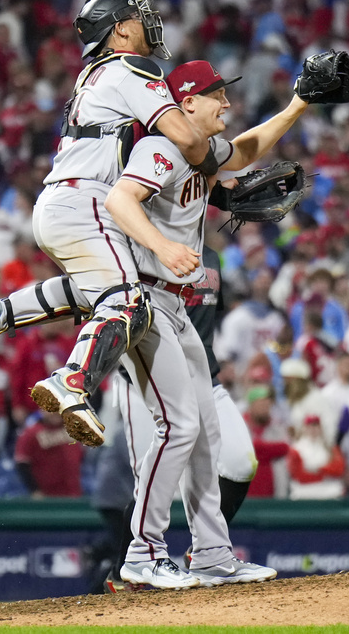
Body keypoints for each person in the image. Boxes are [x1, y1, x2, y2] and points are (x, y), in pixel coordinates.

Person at [0, 0, 219, 447]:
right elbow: (189, 140)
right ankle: (72, 381)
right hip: (89, 202)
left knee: (100, 289)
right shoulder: (132, 67)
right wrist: (210, 163)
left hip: (64, 201)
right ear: (119, 31)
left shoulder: (94, 74)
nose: (150, 20)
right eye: (139, 16)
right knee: (129, 302)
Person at [113, 59, 316, 589]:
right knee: (177, 430)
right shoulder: (159, 149)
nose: (226, 103)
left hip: (177, 307)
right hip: (143, 302)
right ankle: (143, 552)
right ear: (186, 104)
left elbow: (247, 149)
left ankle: (212, 554)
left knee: (203, 433)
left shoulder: (201, 153)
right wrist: (161, 245)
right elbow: (119, 200)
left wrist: (298, 104)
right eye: (215, 95)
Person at [102, 248, 258, 593]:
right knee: (156, 478)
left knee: (240, 461)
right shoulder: (146, 247)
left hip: (205, 377)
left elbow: (205, 321)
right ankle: (123, 573)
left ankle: (205, 551)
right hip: (147, 383)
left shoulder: (214, 257)